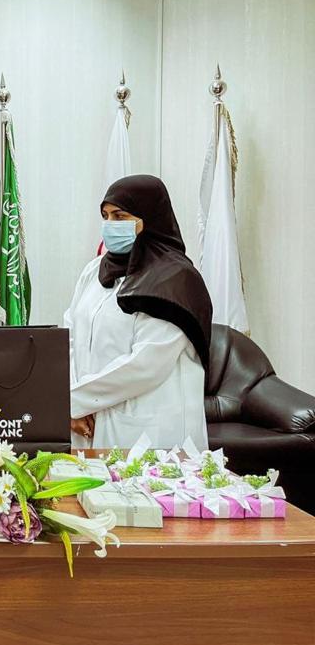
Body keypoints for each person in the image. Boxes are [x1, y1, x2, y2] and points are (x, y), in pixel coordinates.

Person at [65, 174, 213, 450]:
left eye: (120, 216)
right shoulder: (94, 271)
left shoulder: (175, 280)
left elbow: (146, 365)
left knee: (147, 478)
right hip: (87, 418)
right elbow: (70, 337)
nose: (110, 225)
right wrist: (74, 403)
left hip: (149, 428)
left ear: (150, 218)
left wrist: (74, 401)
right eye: (106, 216)